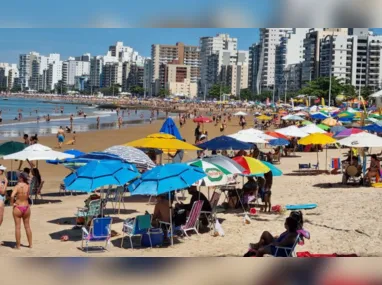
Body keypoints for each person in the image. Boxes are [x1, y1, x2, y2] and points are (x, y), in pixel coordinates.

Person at [11, 172, 32, 249]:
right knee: (27, 227)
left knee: (17, 227)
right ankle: (30, 244)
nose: (18, 178)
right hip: (26, 207)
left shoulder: (17, 186)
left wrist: (12, 203)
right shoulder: (28, 186)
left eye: (19, 177)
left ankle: (18, 246)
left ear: (21, 178)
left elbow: (12, 195)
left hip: (18, 207)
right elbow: (28, 196)